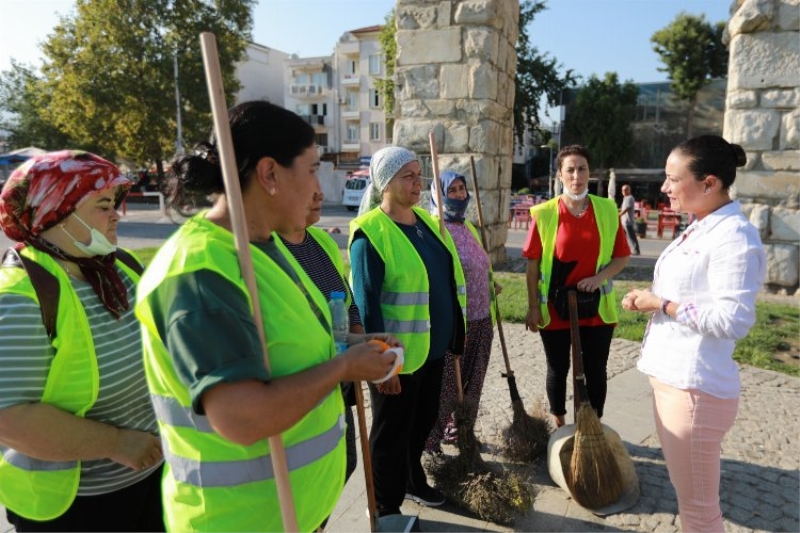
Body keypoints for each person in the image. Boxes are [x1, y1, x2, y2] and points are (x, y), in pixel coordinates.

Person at [135, 100, 398, 532]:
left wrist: (362, 349)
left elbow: (303, 347)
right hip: (239, 521)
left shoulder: (270, 247)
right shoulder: (200, 271)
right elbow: (242, 417)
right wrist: (345, 367)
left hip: (294, 512)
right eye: (312, 169)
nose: (319, 188)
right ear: (270, 173)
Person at [0, 150, 164, 532]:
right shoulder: (21, 297)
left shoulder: (119, 267)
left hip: (152, 480)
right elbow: (9, 416)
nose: (116, 215)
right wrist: (117, 443)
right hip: (75, 508)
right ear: (55, 210)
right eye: (103, 205)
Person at [622, 135, 766, 532]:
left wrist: (661, 304)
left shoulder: (734, 236)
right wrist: (652, 299)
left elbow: (733, 319)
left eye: (673, 179)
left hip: (694, 392)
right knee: (689, 500)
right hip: (673, 382)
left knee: (700, 512)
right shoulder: (701, 226)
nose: (665, 188)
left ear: (709, 183)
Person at [349, 146, 466, 516]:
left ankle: (412, 480)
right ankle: (384, 508)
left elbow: (446, 281)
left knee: (421, 425)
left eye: (420, 174)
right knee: (390, 436)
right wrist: (383, 365)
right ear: (386, 183)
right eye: (408, 176)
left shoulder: (429, 224)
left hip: (429, 351)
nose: (419, 182)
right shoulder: (371, 234)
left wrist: (456, 334)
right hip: (396, 361)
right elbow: (366, 305)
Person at [523, 144, 631, 428]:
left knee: (596, 370)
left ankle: (593, 427)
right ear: (560, 175)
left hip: (596, 310)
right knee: (558, 369)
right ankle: (559, 424)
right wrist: (533, 306)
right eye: (569, 169)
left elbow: (621, 257)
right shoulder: (544, 214)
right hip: (556, 309)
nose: (576, 175)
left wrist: (598, 278)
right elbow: (532, 265)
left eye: (581, 168)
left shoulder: (607, 210)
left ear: (589, 173)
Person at [276, 185, 364, 484]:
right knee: (308, 475)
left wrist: (363, 342)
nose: (320, 194)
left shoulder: (323, 242)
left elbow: (348, 303)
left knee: (346, 462)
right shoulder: (267, 252)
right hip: (300, 387)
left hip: (337, 380)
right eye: (307, 183)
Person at [424, 170, 498, 454]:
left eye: (462, 189)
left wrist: (491, 282)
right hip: (456, 321)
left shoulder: (469, 228)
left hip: (481, 317)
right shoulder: (433, 227)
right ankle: (431, 441)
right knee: (445, 385)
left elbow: (478, 265)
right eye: (452, 190)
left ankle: (461, 431)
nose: (458, 194)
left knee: (473, 380)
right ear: (439, 194)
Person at [619, 184, 641, 255]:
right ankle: (623, 250)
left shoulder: (630, 198)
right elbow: (623, 208)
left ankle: (636, 250)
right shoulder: (625, 198)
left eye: (625, 190)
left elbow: (627, 208)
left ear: (629, 190)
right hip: (624, 221)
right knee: (623, 237)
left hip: (628, 221)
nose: (624, 191)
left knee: (631, 236)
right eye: (623, 190)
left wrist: (619, 214)